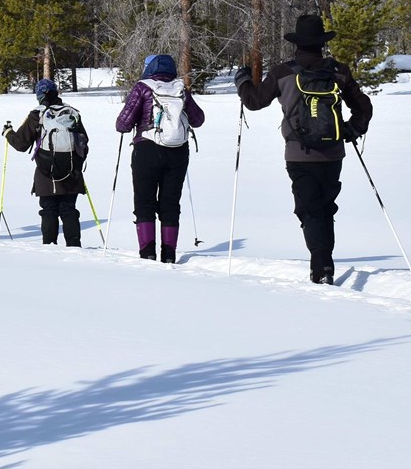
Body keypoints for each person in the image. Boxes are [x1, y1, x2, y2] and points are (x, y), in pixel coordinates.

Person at [235, 16, 372, 284]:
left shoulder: (282, 72)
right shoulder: (338, 71)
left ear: (297, 43)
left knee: (309, 210)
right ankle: (324, 266)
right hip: (333, 154)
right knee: (324, 207)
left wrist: (242, 81)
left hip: (298, 154)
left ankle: (320, 268)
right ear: (322, 42)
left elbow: (254, 102)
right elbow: (363, 107)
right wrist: (350, 131)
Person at [115, 54, 205, 263]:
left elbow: (123, 124)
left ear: (149, 68)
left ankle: (147, 254)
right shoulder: (180, 88)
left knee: (144, 202)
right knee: (170, 203)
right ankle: (169, 255)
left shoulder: (143, 87)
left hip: (146, 150)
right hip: (178, 152)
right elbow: (198, 119)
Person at [4, 79, 90, 246]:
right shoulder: (71, 113)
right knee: (69, 209)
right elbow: (84, 142)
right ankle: (74, 247)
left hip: (46, 171)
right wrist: (76, 164)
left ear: (39, 96)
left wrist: (8, 133)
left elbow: (21, 144)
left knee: (49, 209)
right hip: (71, 171)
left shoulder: (37, 115)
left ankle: (49, 247)